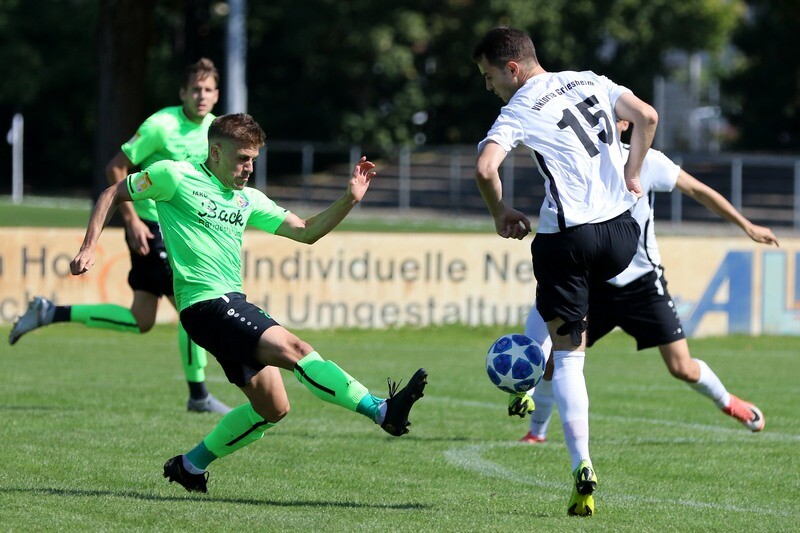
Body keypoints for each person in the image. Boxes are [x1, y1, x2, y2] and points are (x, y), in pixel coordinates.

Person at [69, 113, 428, 494]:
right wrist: (89, 247)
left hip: (227, 305)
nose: (249, 168)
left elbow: (306, 232)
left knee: (273, 408)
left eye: (254, 159)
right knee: (296, 349)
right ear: (215, 152)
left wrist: (350, 199)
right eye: (242, 158)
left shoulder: (247, 199)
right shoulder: (173, 175)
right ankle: (380, 410)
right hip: (206, 305)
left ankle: (189, 466)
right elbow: (112, 192)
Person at [472, 27, 658, 516]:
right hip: (621, 235)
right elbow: (647, 117)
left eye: (489, 76)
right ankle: (532, 373)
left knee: (570, 357)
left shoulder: (518, 107)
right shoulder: (590, 79)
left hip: (569, 239)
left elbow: (485, 168)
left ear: (512, 68)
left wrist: (500, 212)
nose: (489, 86)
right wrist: (633, 172)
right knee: (557, 305)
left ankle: (581, 462)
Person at [515, 119, 778, 445]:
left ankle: (729, 402)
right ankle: (536, 433)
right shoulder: (580, 160)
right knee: (554, 362)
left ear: (624, 124)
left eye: (610, 117)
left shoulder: (647, 161)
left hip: (642, 284)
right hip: (596, 284)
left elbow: (698, 189)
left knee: (682, 367)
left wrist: (746, 225)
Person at [9, 58, 231, 414]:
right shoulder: (161, 125)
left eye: (207, 90)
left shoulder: (215, 130)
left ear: (217, 95)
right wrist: (131, 220)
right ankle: (199, 394)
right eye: (195, 89)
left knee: (141, 319)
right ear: (182, 93)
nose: (201, 96)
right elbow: (116, 166)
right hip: (153, 231)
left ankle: (51, 313)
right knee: (194, 307)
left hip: (184, 232)